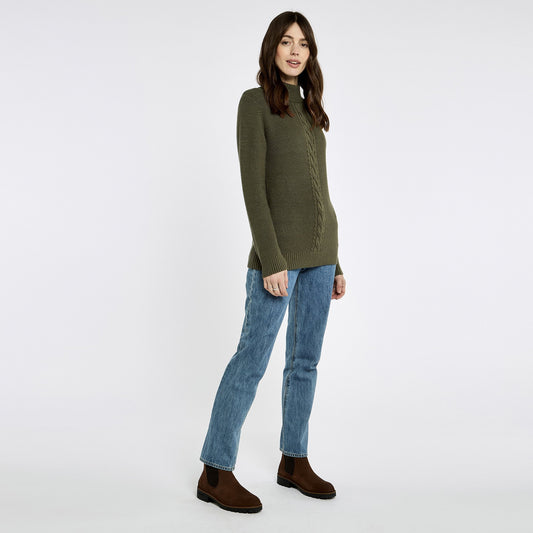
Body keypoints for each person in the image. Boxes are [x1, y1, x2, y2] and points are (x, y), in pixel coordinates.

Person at [197, 11, 346, 513]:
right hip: (277, 259)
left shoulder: (312, 110)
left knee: (305, 363)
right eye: (287, 41)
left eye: (303, 43)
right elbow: (254, 191)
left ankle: (293, 461)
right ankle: (215, 471)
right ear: (272, 48)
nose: (295, 50)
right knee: (251, 360)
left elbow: (320, 193)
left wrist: (336, 261)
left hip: (321, 257)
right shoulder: (254, 103)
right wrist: (272, 259)